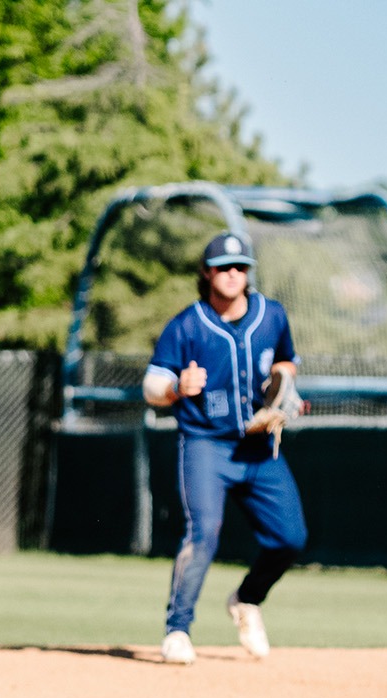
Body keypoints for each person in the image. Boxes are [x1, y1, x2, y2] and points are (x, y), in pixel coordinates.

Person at [142, 232, 307, 665]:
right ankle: (177, 630)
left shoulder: (271, 315)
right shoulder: (187, 325)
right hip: (206, 444)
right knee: (205, 532)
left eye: (240, 267)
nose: (233, 274)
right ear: (207, 272)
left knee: (291, 538)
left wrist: (282, 386)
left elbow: (286, 362)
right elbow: (151, 385)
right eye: (223, 266)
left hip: (257, 448)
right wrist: (177, 388)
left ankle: (247, 599)